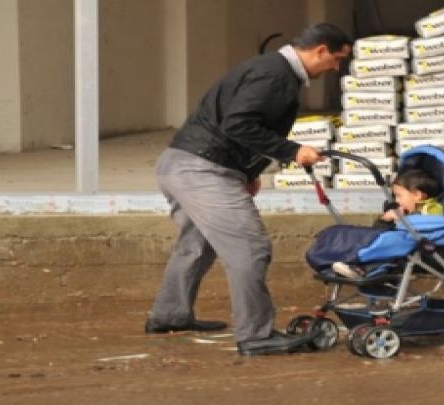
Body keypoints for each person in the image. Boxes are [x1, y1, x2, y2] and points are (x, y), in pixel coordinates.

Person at [145, 23, 352, 356]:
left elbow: (241, 123)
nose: (335, 68)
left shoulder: (270, 69)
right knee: (250, 245)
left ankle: (170, 315)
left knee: (196, 244)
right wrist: (293, 151)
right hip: (202, 169)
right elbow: (238, 123)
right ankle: (256, 336)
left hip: (182, 163)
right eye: (337, 60)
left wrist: (247, 171)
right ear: (321, 50)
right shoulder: (276, 75)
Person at [331, 168, 444, 279]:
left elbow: (433, 226)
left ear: (417, 195)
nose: (397, 201)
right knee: (378, 238)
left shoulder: (433, 209)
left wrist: (405, 220)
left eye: (399, 196)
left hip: (428, 254)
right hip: (405, 251)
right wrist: (385, 219)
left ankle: (361, 267)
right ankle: (355, 263)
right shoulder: (406, 212)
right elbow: (378, 232)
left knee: (389, 245)